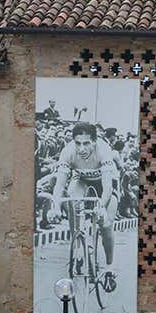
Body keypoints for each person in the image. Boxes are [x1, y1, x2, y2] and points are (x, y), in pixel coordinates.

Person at [49, 122, 119, 285]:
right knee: (72, 200)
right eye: (78, 143)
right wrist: (56, 206)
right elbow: (59, 185)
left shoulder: (104, 150)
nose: (82, 149)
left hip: (104, 183)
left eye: (86, 143)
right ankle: (79, 247)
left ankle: (110, 267)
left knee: (106, 224)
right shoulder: (68, 151)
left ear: (94, 141)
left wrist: (101, 207)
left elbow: (107, 187)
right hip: (81, 179)